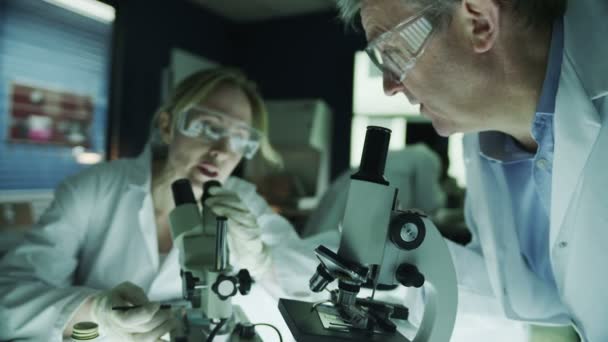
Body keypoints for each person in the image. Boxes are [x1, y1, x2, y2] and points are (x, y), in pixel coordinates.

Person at [336, 0, 607, 341]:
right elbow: (517, 294)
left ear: (479, 22)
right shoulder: (483, 139)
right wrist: (413, 256)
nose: (389, 85)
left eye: (393, 51)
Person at [0, 67, 300, 341]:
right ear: (168, 126)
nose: (222, 151)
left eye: (239, 138)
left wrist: (260, 258)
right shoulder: (94, 187)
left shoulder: (245, 202)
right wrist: (95, 311)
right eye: (209, 127)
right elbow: (10, 299)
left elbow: (301, 294)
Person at [303, 143, 446, 237]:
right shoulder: (429, 157)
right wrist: (445, 197)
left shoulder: (408, 154)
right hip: (370, 196)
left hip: (350, 188)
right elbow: (428, 202)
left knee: (324, 238)